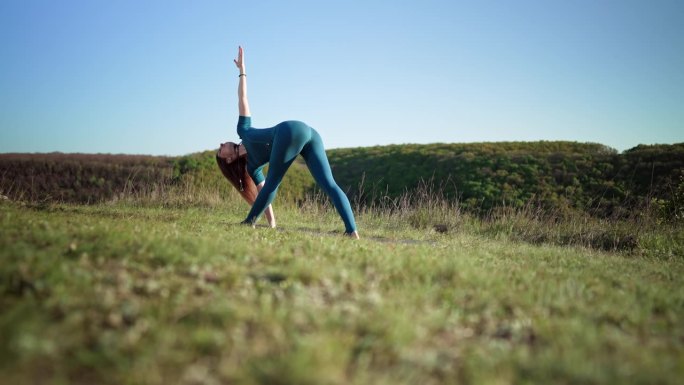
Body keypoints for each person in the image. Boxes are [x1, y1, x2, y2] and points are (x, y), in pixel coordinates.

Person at [216, 46, 360, 239]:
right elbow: (264, 194)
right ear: (228, 160)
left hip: (292, 131)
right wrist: (272, 223)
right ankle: (352, 233)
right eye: (220, 150)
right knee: (326, 184)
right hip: (307, 134)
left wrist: (242, 70)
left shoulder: (243, 130)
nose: (221, 144)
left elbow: (242, 98)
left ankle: (249, 222)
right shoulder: (253, 168)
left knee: (326, 184)